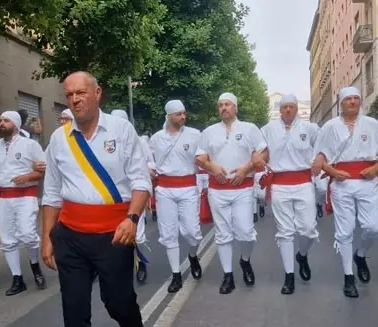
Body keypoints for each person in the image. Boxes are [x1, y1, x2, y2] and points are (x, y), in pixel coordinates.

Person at [41, 71, 152, 327]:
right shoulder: (60, 139)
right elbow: (52, 193)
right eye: (69, 94)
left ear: (97, 93)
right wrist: (47, 236)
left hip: (114, 234)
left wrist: (131, 220)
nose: (74, 100)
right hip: (71, 236)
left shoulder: (121, 132)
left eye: (81, 93)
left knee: (118, 302)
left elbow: (140, 180)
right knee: (74, 312)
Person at [312, 87, 378, 298]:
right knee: (344, 232)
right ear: (341, 103)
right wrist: (333, 171)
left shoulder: (373, 124)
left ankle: (361, 254)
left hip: (367, 181)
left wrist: (376, 168)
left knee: (372, 227)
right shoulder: (330, 127)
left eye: (356, 98)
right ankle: (348, 277)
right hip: (342, 184)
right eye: (349, 99)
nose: (353, 102)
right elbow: (319, 158)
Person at [195, 92, 268, 294]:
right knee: (223, 234)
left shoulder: (249, 129)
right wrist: (212, 166)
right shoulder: (209, 132)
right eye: (220, 105)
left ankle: (245, 260)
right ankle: (228, 276)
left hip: (242, 188)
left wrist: (246, 168)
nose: (224, 108)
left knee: (246, 233)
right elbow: (200, 158)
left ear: (235, 107)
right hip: (217, 190)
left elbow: (264, 153)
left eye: (227, 104)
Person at [260, 94, 320, 295]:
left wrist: (321, 161)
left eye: (291, 107)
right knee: (285, 231)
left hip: (303, 183)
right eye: (284, 107)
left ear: (296, 109)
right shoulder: (268, 130)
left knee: (308, 229)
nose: (288, 110)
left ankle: (302, 255)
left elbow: (323, 148)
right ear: (280, 110)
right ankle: (289, 276)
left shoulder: (309, 129)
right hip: (279, 184)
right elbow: (260, 152)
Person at [0, 111, 47, 295]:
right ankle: (17, 278)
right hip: (3, 199)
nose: (2, 123)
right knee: (7, 239)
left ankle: (35, 265)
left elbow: (43, 171)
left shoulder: (31, 145)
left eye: (6, 121)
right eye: (1, 120)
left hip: (25, 196)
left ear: (16, 125)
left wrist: (27, 176)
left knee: (28, 234)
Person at [148, 99, 204, 293]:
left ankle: (192, 255)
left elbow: (204, 157)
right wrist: (150, 169)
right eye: (179, 114)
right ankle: (176, 274)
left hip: (188, 187)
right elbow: (148, 160)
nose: (183, 117)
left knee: (192, 232)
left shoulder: (195, 135)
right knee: (169, 233)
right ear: (169, 116)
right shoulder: (156, 138)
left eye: (184, 113)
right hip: (165, 189)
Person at [110, 109, 154, 284]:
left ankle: (141, 262)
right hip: (112, 198)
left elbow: (150, 161)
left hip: (135, 196)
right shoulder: (104, 143)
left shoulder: (138, 142)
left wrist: (150, 169)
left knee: (138, 236)